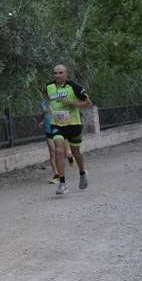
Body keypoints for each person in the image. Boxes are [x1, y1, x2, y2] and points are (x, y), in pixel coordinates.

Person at [45, 64, 92, 195]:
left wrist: (71, 103)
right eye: (55, 73)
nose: (57, 75)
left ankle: (82, 172)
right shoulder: (49, 87)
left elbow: (89, 103)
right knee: (58, 151)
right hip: (57, 125)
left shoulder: (74, 87)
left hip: (73, 124)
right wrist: (48, 111)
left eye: (60, 73)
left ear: (66, 74)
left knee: (76, 153)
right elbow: (49, 102)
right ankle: (62, 183)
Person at [40, 98, 74, 184]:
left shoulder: (58, 102)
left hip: (59, 130)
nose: (46, 95)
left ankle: (70, 157)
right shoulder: (43, 103)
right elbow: (45, 114)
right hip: (49, 131)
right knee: (53, 152)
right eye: (44, 93)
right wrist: (43, 122)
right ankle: (56, 175)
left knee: (65, 153)